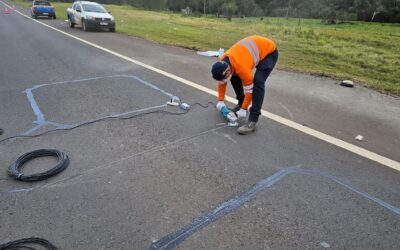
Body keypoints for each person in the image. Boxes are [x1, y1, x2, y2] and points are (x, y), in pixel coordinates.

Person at [211, 35, 278, 135]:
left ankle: (253, 120)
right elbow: (222, 83)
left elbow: (249, 91)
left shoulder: (242, 67)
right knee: (234, 77)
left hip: (269, 52)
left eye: (225, 78)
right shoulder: (223, 61)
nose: (224, 81)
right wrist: (220, 100)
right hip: (255, 49)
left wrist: (244, 109)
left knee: (258, 82)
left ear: (228, 70)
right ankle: (241, 103)